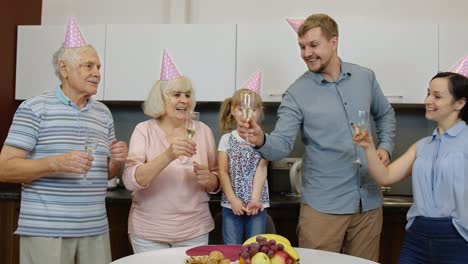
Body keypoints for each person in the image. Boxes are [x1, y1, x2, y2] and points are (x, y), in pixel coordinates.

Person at [238, 13, 396, 261]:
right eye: (302, 47)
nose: (307, 53)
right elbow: (281, 144)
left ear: (334, 42)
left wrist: (385, 148)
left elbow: (385, 114)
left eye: (313, 45)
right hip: (323, 208)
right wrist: (261, 139)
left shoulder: (365, 77)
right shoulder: (296, 93)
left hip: (369, 201)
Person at [0, 17, 128, 264]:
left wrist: (116, 162)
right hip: (47, 232)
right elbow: (5, 168)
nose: (97, 73)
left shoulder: (103, 113)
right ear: (64, 68)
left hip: (95, 229)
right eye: (88, 66)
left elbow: (104, 174)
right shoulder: (35, 108)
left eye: (99, 67)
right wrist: (55, 163)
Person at [354, 71, 468, 263]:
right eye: (428, 93)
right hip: (417, 237)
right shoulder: (422, 145)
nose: (428, 100)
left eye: (437, 96)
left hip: (457, 236)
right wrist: (368, 146)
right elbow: (385, 176)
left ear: (460, 103)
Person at [122, 50, 219, 253]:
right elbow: (130, 180)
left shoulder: (203, 131)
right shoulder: (144, 130)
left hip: (195, 230)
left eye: (188, 95)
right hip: (149, 232)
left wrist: (210, 179)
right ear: (161, 99)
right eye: (176, 95)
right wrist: (168, 155)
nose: (184, 100)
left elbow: (216, 181)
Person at [217, 72, 269, 244]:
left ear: (259, 112)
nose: (247, 113)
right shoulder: (226, 139)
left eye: (253, 109)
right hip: (231, 206)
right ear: (233, 110)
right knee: (232, 248)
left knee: (255, 248)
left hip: (257, 206)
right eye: (241, 108)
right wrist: (233, 200)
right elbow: (223, 172)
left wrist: (255, 200)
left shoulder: (263, 139)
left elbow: (262, 169)